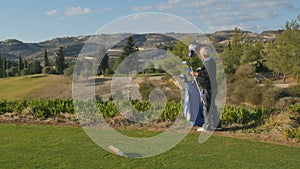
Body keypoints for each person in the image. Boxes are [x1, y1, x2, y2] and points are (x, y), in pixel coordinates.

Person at [191, 46, 222, 131]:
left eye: (201, 54)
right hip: (212, 87)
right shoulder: (210, 61)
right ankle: (217, 125)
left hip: (208, 88)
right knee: (212, 106)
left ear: (203, 55)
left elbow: (206, 75)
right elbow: (205, 72)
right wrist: (199, 72)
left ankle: (207, 126)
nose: (200, 56)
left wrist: (195, 74)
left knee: (207, 107)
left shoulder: (208, 63)